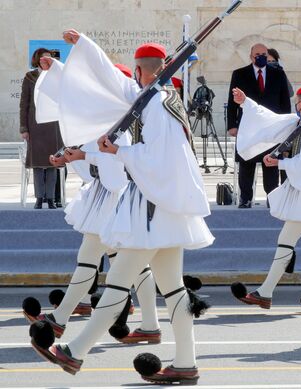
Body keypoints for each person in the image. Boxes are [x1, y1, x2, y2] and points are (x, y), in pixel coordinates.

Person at [29, 30, 214, 385]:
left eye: (135, 71)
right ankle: (186, 363)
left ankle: (74, 352)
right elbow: (107, 81)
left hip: (152, 208)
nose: (130, 76)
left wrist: (120, 152)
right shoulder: (153, 97)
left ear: (142, 71)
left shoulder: (159, 104)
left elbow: (160, 157)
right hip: (164, 209)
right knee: (174, 290)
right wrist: (76, 52)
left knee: (117, 284)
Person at [23, 58, 161, 345]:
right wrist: (74, 157)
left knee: (90, 261)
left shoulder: (122, 122)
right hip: (107, 200)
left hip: (114, 201)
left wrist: (84, 156)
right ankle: (150, 324)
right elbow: (96, 163)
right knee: (134, 266)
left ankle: (60, 319)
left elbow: (114, 167)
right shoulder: (110, 119)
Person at [230, 85, 301, 312]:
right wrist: (246, 103)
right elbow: (270, 120)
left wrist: (279, 163)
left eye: (297, 102)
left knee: (286, 241)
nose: (295, 106)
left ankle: (265, 292)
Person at [227, 43, 291, 208]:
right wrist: (232, 125)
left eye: (264, 54)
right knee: (246, 162)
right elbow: (232, 102)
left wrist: (287, 126)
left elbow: (285, 102)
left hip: (272, 127)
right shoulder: (240, 74)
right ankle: (245, 199)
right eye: (257, 54)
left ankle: (272, 199)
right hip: (249, 127)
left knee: (270, 163)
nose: (261, 57)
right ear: (251, 56)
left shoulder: (278, 74)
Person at [19, 48, 64, 209]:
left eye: (49, 58)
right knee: (38, 164)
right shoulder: (30, 77)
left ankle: (51, 198)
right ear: (37, 60)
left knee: (53, 162)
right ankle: (39, 198)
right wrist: (24, 128)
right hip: (35, 126)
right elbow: (24, 103)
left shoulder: (57, 77)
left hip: (53, 125)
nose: (47, 61)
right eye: (44, 58)